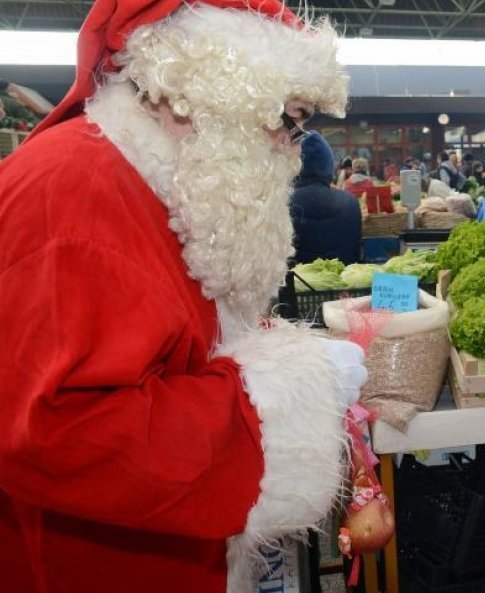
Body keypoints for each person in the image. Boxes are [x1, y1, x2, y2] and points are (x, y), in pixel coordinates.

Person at [0, 2, 368, 592]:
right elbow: (54, 430)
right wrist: (286, 393)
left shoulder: (161, 184)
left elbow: (180, 332)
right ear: (198, 93)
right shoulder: (74, 193)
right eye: (288, 119)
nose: (292, 147)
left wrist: (283, 356)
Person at [291, 133, 362, 265]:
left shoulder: (282, 203)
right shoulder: (351, 202)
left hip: (298, 283)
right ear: (329, 164)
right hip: (343, 282)